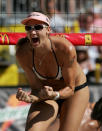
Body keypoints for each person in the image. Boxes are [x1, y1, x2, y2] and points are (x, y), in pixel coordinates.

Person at [16, 12, 89, 131]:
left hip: (75, 91)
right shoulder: (23, 53)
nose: (32, 32)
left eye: (38, 27)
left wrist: (55, 94)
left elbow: (70, 88)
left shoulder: (64, 48)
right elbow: (36, 89)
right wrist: (29, 98)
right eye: (28, 28)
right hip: (46, 94)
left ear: (48, 30)